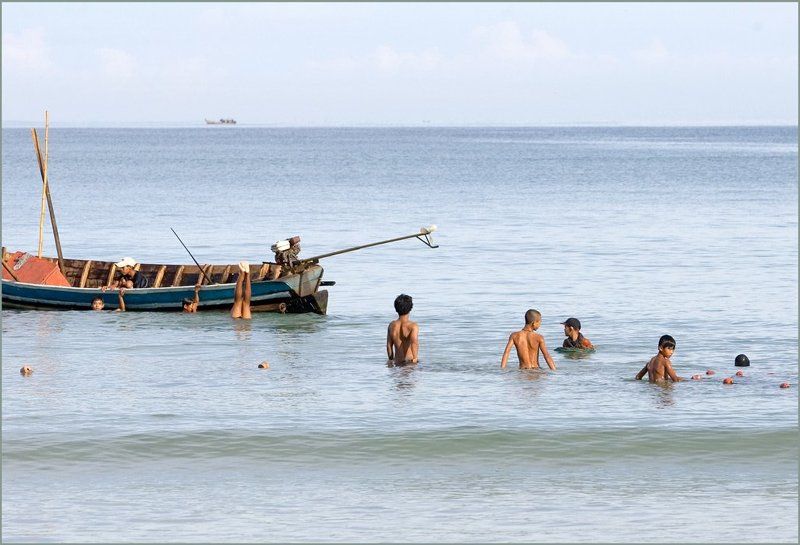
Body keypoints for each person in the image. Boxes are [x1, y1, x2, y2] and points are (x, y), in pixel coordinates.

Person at [386, 294, 419, 365]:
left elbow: (389, 345)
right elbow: (414, 342)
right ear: (410, 308)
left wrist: (390, 360)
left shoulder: (392, 325)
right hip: (410, 361)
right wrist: (415, 358)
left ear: (396, 308)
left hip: (397, 362)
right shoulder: (413, 326)